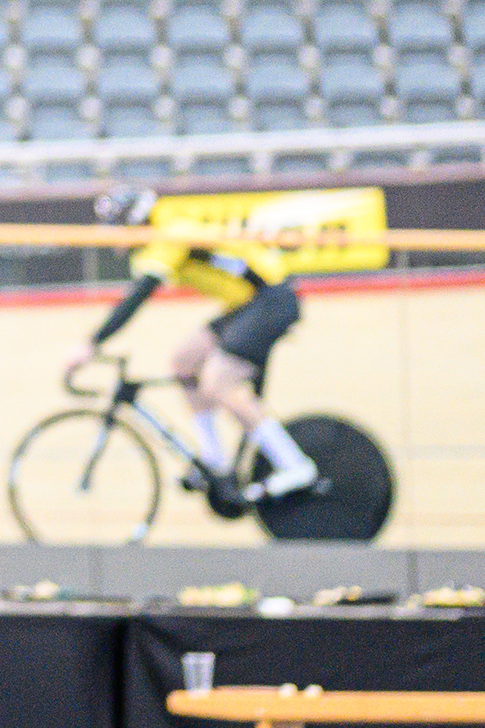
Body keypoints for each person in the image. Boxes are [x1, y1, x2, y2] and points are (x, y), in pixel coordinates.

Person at [60, 189, 322, 502]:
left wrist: (91, 343)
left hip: (271, 301)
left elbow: (138, 295)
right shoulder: (163, 231)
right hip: (247, 304)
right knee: (184, 361)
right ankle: (214, 461)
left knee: (218, 381)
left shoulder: (170, 234)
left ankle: (295, 466)